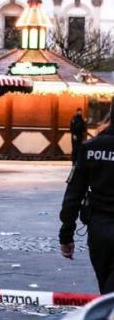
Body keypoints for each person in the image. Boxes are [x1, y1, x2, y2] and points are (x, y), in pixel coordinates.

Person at [60, 103, 114, 294]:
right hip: (99, 222)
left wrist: (66, 234)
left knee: (105, 288)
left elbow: (73, 195)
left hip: (99, 228)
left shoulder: (90, 148)